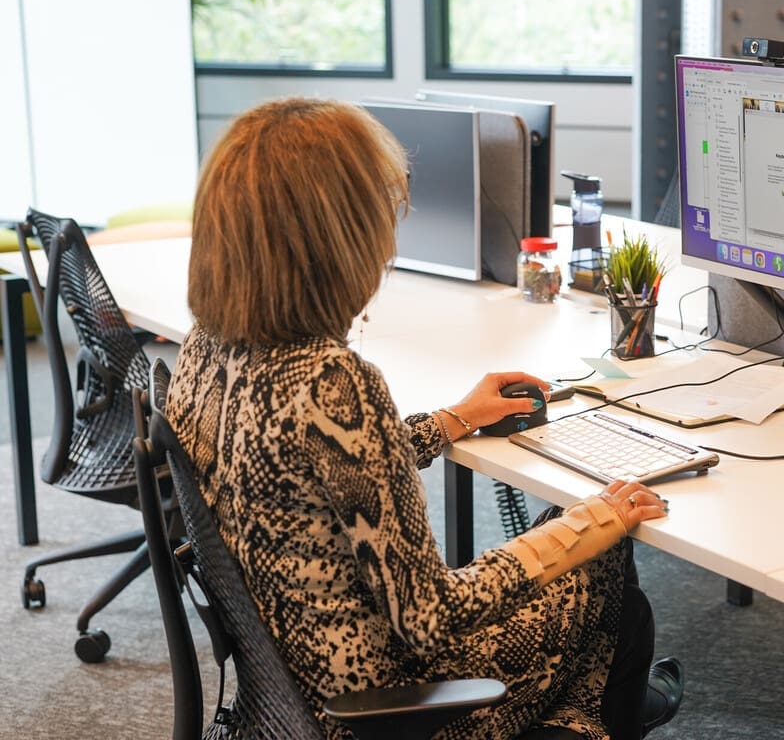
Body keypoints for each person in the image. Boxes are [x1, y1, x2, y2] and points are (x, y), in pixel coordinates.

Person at [165, 96, 683, 740]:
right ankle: (602, 714)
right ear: (340, 238)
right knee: (598, 559)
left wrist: (454, 419)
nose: (388, 234)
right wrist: (595, 520)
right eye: (382, 214)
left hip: (290, 689)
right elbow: (431, 617)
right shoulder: (331, 382)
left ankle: (602, 707)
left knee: (573, 534)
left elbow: (308, 471)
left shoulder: (206, 344)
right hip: (390, 706)